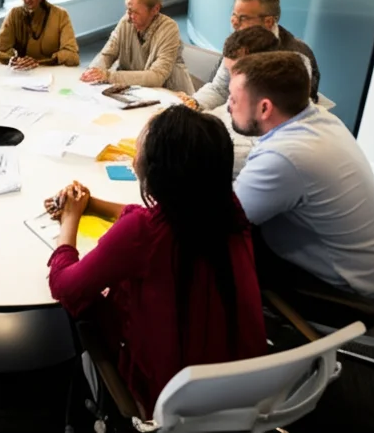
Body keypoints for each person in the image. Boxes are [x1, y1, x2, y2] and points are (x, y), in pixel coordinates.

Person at [47, 105, 266, 414]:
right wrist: (92, 205)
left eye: (139, 152)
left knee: (85, 305)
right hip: (244, 385)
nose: (135, 157)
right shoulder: (227, 208)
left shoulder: (143, 233)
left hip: (173, 397)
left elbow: (66, 286)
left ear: (157, 171)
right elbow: (156, 219)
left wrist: (69, 221)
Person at [229, 51, 374, 306]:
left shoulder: (284, 157)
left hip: (346, 291)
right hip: (365, 265)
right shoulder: (318, 118)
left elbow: (226, 219)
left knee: (207, 248)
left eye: (233, 98)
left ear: (265, 108)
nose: (229, 105)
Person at [190, 0, 320, 110]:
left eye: (243, 18)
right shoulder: (238, 42)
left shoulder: (296, 57)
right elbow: (220, 89)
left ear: (268, 22)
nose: (234, 23)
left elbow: (285, 111)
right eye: (234, 15)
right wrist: (194, 104)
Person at [80, 0, 193, 92]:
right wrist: (94, 70)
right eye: (128, 9)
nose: (129, 17)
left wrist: (108, 76)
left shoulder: (169, 28)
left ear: (155, 9)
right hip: (137, 92)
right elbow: (107, 54)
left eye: (134, 12)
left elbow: (157, 76)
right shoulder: (126, 21)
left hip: (173, 95)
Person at [202, 26, 282, 178]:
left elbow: (241, 156)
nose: (231, 82)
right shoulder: (247, 91)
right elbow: (223, 111)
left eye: (236, 73)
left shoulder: (252, 149)